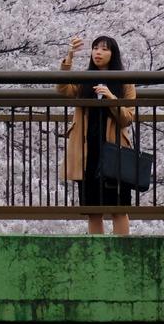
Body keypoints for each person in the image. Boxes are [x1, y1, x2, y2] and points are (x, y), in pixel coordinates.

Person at [57, 35, 135, 236]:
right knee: (93, 211)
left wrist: (111, 98)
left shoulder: (125, 82)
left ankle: (122, 255)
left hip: (114, 150)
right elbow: (63, 89)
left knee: (119, 209)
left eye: (104, 49)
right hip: (87, 150)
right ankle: (97, 256)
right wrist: (69, 57)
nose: (98, 52)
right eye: (95, 48)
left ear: (113, 54)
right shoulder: (85, 80)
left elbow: (127, 118)